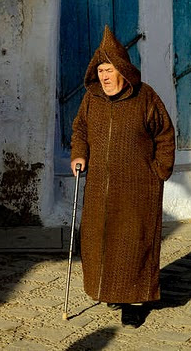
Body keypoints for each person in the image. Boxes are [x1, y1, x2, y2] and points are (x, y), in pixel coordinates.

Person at [70, 25, 175, 327]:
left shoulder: (146, 98)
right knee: (100, 242)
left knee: (133, 243)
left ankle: (134, 300)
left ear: (123, 70)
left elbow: (165, 135)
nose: (104, 76)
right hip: (99, 188)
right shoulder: (91, 100)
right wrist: (79, 154)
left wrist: (159, 171)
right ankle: (110, 290)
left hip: (138, 187)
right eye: (100, 69)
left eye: (109, 69)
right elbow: (80, 129)